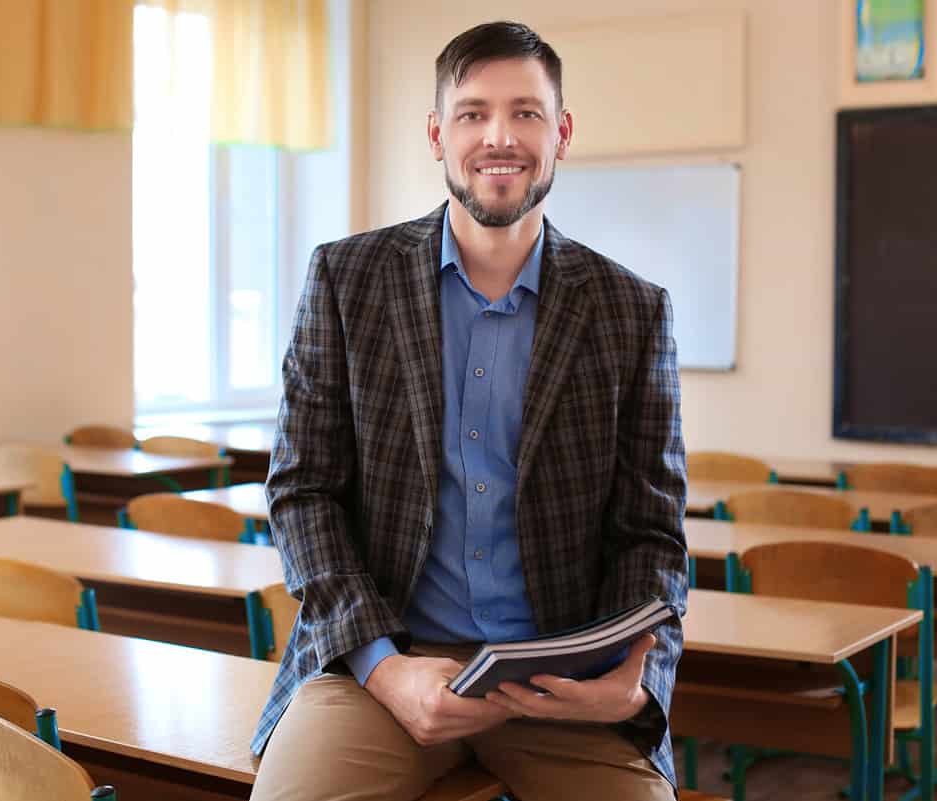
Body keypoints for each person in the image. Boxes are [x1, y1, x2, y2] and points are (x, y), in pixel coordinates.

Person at [249, 20, 687, 801]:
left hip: (562, 681)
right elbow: (301, 493)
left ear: (562, 132)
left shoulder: (633, 311)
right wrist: (383, 667)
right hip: (386, 666)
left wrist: (635, 681)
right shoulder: (346, 280)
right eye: (473, 112)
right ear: (435, 134)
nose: (499, 137)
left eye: (525, 112)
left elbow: (651, 533)